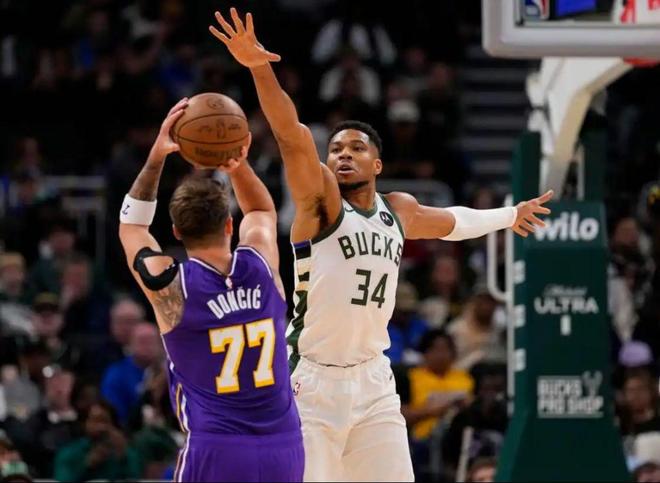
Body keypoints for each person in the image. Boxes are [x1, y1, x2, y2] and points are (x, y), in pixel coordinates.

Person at [210, 8, 553, 481]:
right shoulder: (321, 204)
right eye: (336, 149)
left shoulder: (399, 209)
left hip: (374, 380)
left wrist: (510, 215)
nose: (343, 155)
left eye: (356, 149)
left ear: (377, 165)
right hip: (312, 380)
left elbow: (454, 222)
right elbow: (292, 137)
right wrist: (258, 68)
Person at [118, 99, 303, 482]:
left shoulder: (171, 284)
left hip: (218, 447)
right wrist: (237, 164)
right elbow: (261, 212)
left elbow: (132, 227)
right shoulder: (262, 265)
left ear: (176, 232)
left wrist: (157, 156)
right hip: (285, 446)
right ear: (229, 225)